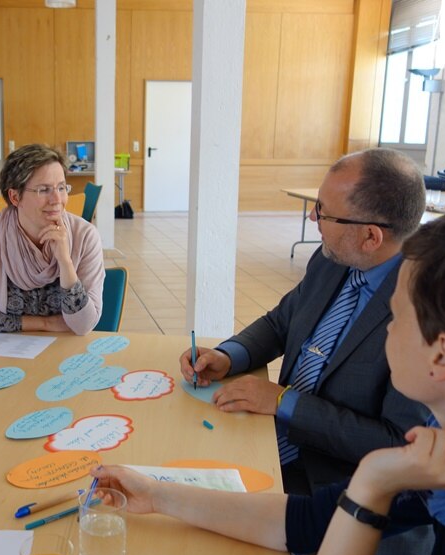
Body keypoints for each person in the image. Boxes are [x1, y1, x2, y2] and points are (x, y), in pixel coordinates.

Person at [92, 201, 445, 555]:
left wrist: (373, 484)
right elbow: (300, 521)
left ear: (442, 356)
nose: (387, 330)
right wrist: (155, 492)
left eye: (396, 317)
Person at [181, 148, 429, 494]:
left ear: (371, 237)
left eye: (324, 212)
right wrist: (228, 356)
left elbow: (397, 442)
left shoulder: (426, 311)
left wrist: (284, 403)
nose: (313, 218)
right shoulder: (334, 258)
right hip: (267, 438)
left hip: (334, 485)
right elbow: (281, 322)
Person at [0, 143, 104, 335]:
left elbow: (84, 325)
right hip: (6, 350)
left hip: (65, 350)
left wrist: (65, 263)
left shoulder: (85, 236)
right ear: (15, 197)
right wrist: (45, 324)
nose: (57, 199)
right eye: (44, 190)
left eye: (62, 188)